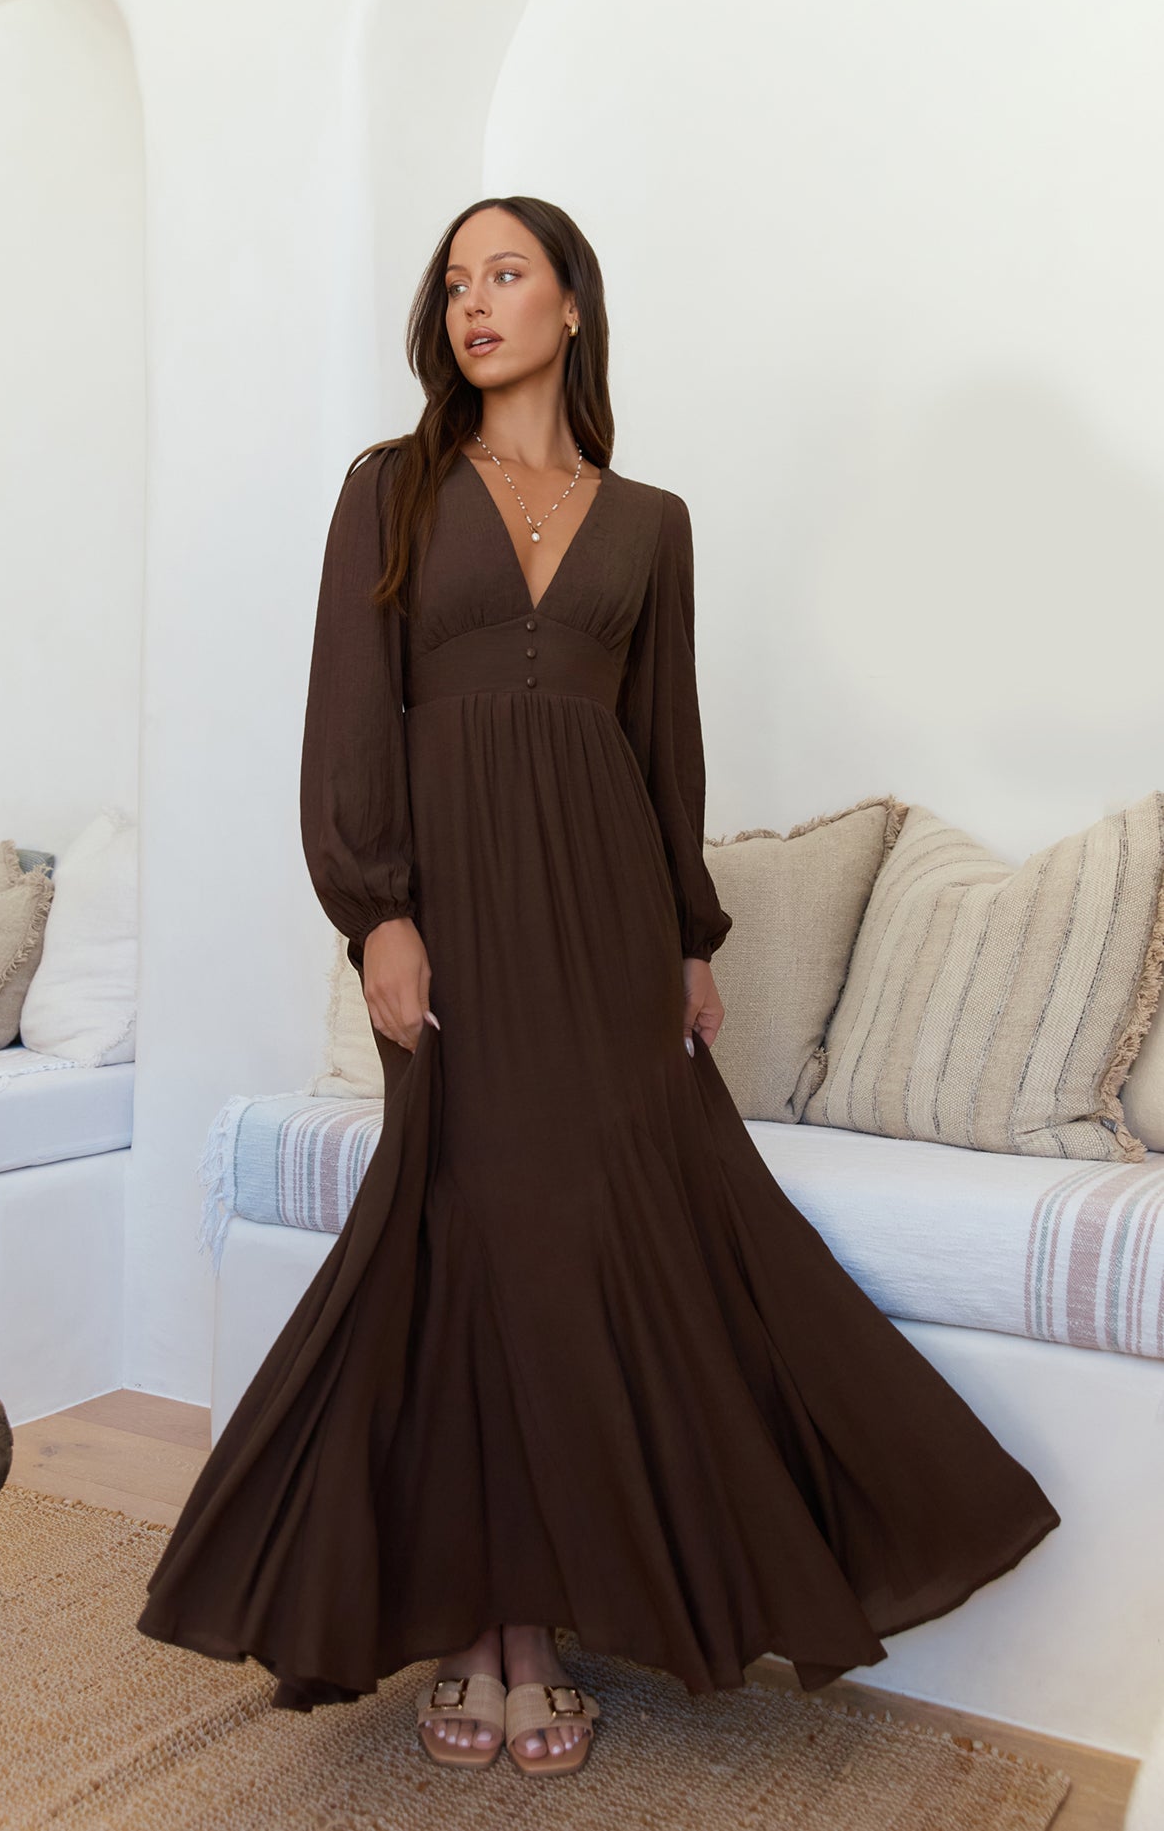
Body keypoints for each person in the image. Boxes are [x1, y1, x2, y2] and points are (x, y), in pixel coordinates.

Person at [136, 194, 1060, 1779]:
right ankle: (481, 1626)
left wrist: (688, 938)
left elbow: (660, 746)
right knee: (474, 1234)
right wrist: (377, 914)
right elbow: (351, 711)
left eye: (506, 274)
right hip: (457, 917)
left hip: (608, 923)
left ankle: (535, 1634)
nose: (473, 302)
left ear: (571, 304)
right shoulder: (390, 488)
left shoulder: (649, 522)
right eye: (455, 281)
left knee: (603, 1243)